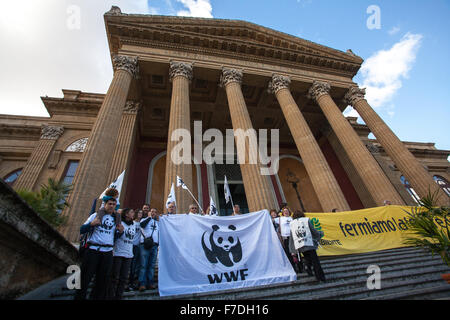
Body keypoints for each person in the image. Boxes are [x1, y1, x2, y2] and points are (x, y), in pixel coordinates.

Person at [75, 189, 119, 300]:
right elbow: (82, 229)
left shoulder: (116, 219)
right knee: (84, 279)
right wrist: (91, 224)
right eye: (110, 204)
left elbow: (115, 236)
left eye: (114, 204)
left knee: (102, 282)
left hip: (107, 252)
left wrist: (121, 232)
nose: (112, 206)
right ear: (105, 204)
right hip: (93, 250)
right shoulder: (95, 216)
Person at [289, 210, 326, 282]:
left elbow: (292, 237)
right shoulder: (306, 220)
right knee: (315, 260)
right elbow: (313, 230)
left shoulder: (292, 224)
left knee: (307, 258)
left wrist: (292, 249)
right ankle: (320, 277)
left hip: (301, 245)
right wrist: (320, 234)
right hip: (309, 244)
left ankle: (308, 268)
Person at [109, 208, 136, 299]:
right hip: (118, 253)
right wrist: (120, 232)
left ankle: (119, 296)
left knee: (124, 278)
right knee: (114, 277)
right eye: (131, 212)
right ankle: (111, 296)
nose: (133, 213)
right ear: (126, 214)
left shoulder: (134, 225)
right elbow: (113, 237)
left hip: (128, 254)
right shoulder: (120, 224)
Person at [138, 208, 160, 291]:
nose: (154, 213)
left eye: (155, 212)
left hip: (154, 245)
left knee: (151, 265)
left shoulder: (157, 223)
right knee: (143, 265)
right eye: (152, 212)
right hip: (145, 245)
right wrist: (149, 217)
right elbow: (142, 225)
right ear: (149, 213)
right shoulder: (144, 220)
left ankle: (150, 282)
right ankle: (142, 283)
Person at [128, 209, 143, 290]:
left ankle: (133, 282)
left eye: (141, 213)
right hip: (130, 245)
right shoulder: (132, 223)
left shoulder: (142, 223)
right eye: (139, 213)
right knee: (131, 265)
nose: (140, 214)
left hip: (138, 246)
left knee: (135, 265)